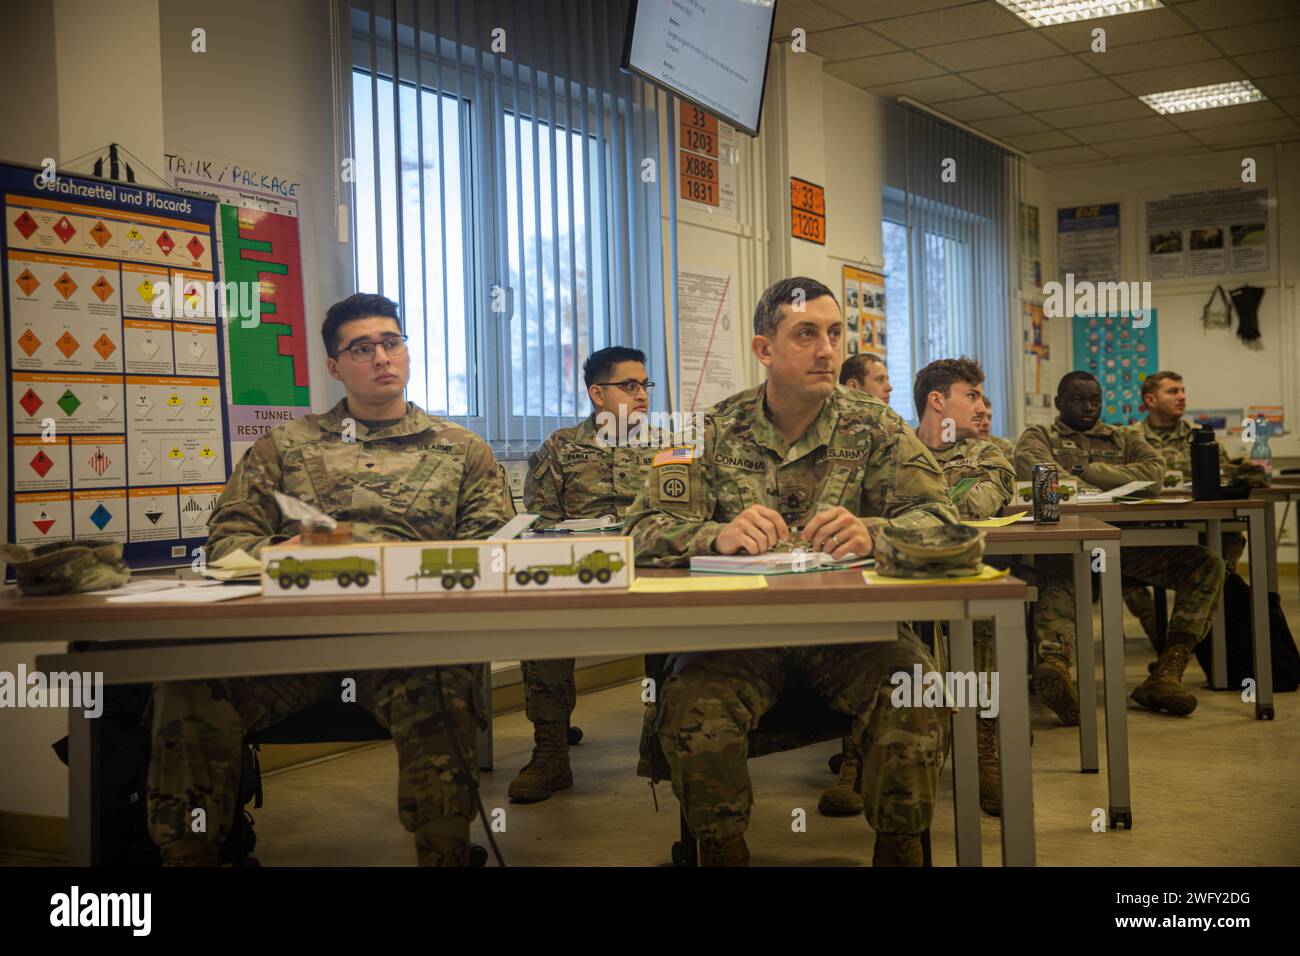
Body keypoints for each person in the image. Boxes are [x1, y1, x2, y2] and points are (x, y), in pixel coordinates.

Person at [148, 293, 515, 867]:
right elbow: (224, 545)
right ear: (334, 366)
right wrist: (284, 550)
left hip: (408, 647)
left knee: (443, 686)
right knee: (190, 682)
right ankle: (189, 856)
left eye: (391, 342)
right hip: (292, 649)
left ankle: (443, 854)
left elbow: (492, 551)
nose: (381, 357)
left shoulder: (461, 450)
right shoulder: (283, 449)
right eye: (362, 347)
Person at [624, 276, 960, 866]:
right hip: (739, 637)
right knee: (692, 709)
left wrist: (877, 533)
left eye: (834, 333)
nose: (827, 349)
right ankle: (722, 850)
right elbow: (639, 531)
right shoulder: (708, 431)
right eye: (806, 334)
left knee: (918, 690)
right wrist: (715, 535)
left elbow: (944, 523)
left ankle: (900, 847)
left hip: (853, 634)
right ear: (764, 349)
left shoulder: (877, 427)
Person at [1014, 371, 1225, 720]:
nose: (1087, 407)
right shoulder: (1039, 436)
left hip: (1126, 547)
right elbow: (1045, 477)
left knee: (1206, 562)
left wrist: (1085, 470)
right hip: (1066, 545)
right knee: (1055, 570)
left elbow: (1154, 476)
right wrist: (1118, 479)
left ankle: (1166, 673)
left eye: (1094, 400)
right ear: (1058, 403)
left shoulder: (1122, 437)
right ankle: (1055, 666)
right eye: (1078, 400)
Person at [512, 346, 661, 803]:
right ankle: (550, 752)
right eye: (629, 386)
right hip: (579, 572)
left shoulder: (670, 448)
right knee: (542, 627)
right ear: (597, 394)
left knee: (683, 634)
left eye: (645, 385)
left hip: (651, 570)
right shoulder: (560, 448)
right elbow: (538, 523)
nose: (641, 396)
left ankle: (663, 745)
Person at [911, 357, 1014, 816]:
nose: (981, 406)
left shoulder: (985, 454)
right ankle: (857, 758)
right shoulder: (891, 449)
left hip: (961, 574)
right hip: (898, 575)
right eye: (970, 395)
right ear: (938, 401)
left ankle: (983, 749)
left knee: (981, 621)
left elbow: (978, 504)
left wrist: (910, 504)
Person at [1122, 371, 1264, 645]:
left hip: (1194, 523)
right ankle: (1159, 633)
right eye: (1173, 391)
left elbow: (1224, 475)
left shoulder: (1199, 437)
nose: (1182, 397)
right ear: (1150, 400)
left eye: (1183, 391)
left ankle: (1206, 635)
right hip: (1147, 523)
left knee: (1229, 539)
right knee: (1120, 550)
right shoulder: (1130, 438)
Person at [978, 394, 1017, 461]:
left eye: (989, 418)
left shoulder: (1005, 447)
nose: (987, 423)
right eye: (980, 417)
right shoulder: (958, 449)